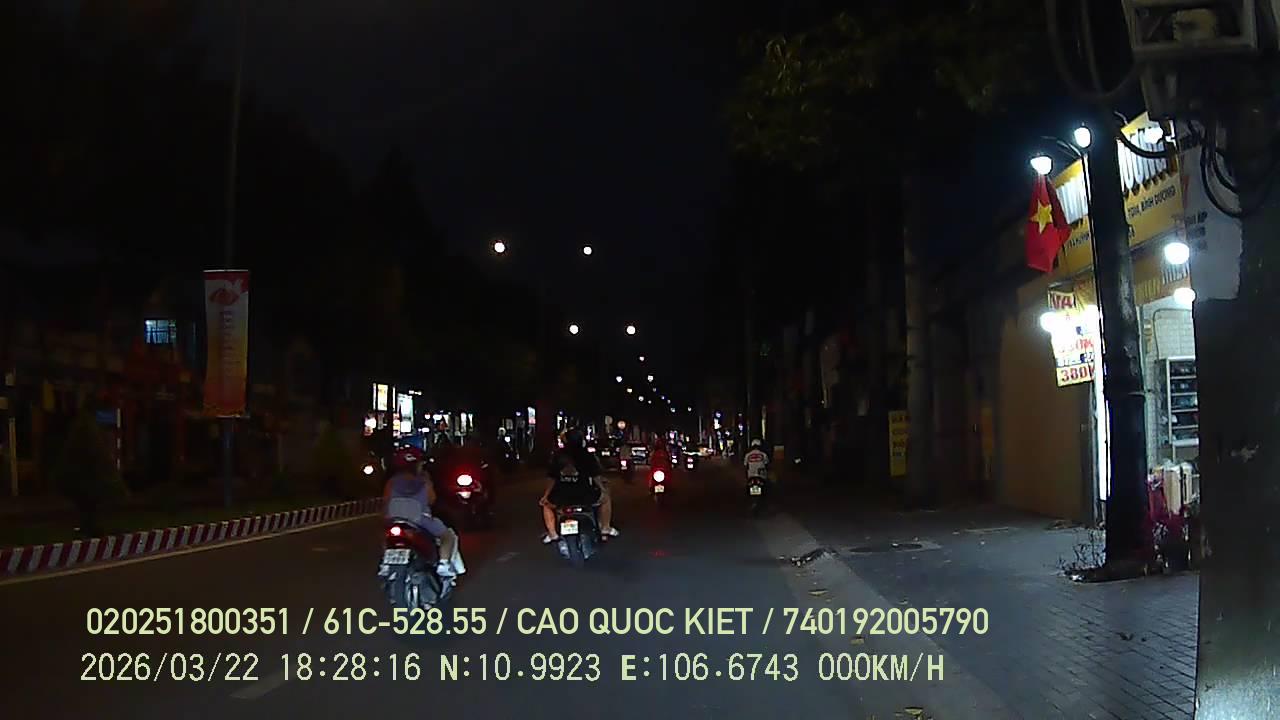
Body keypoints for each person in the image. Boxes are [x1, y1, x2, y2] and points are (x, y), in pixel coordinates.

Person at [383, 446, 463, 578]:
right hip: (420, 519)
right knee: (448, 535)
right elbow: (431, 499)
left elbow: (386, 500)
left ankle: (385, 564)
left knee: (386, 535)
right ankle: (444, 565)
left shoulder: (391, 482)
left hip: (394, 518)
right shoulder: (424, 479)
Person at [540, 427, 619, 543]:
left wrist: (546, 496)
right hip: (585, 495)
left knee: (546, 505)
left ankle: (552, 534)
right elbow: (596, 476)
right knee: (605, 499)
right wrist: (603, 490)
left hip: (561, 497)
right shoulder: (587, 455)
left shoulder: (558, 456)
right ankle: (605, 528)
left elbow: (551, 478)